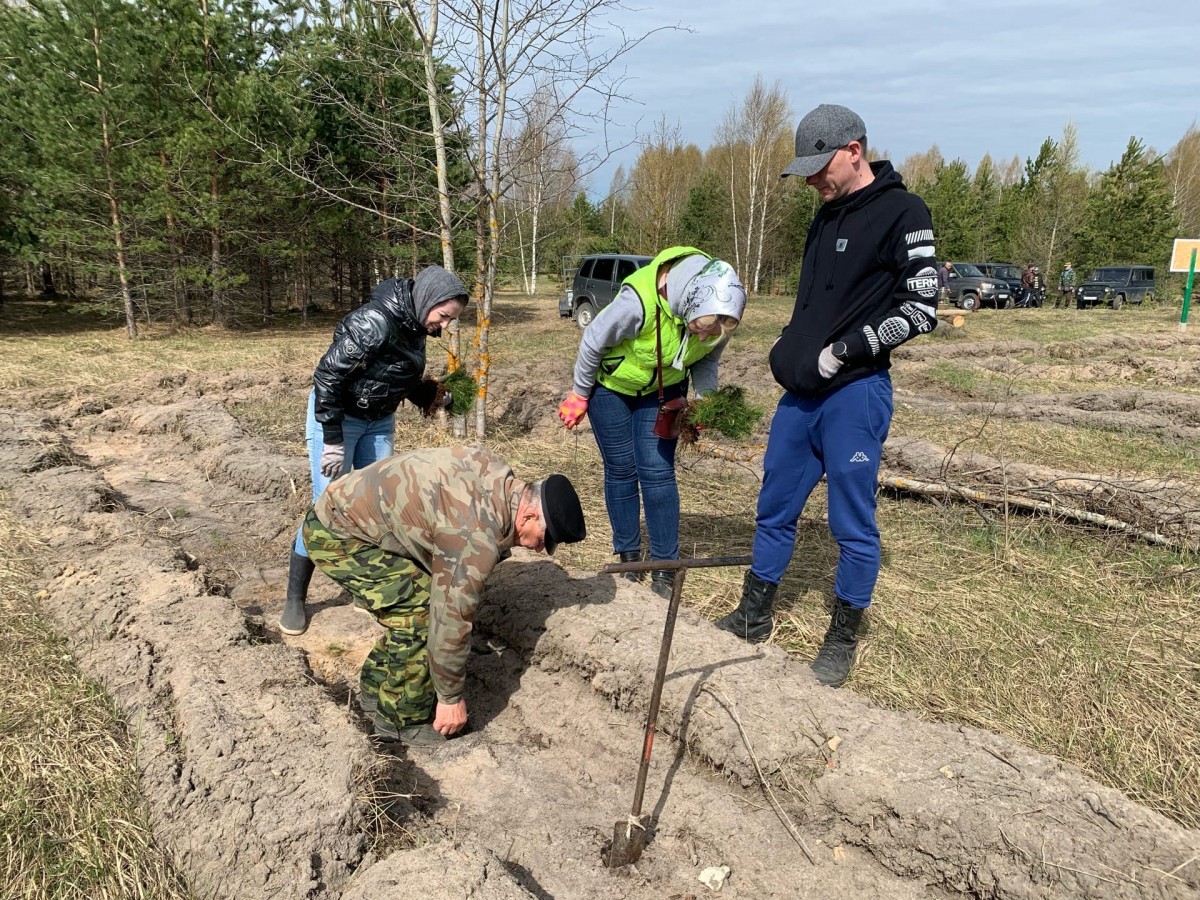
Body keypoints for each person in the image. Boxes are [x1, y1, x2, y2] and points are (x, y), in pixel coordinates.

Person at [714, 104, 937, 688]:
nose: (812, 181)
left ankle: (841, 637)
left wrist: (845, 350)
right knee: (774, 507)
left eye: (820, 168)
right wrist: (792, 345)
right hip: (800, 397)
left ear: (854, 150)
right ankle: (754, 614)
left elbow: (921, 309)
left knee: (851, 523)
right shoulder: (824, 217)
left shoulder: (903, 212)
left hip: (854, 394)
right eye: (805, 171)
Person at [301, 446, 586, 745]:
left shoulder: (498, 475)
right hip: (338, 535)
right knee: (421, 614)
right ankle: (399, 720)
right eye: (544, 539)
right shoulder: (474, 534)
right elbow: (449, 617)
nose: (540, 549)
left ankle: (376, 689)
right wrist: (450, 698)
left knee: (417, 599)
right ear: (527, 515)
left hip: (349, 511)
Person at [279, 266, 469, 636]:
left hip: (378, 420)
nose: (445, 326)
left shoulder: (415, 325)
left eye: (451, 320)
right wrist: (332, 437)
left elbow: (392, 371)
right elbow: (329, 376)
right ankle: (295, 600)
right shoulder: (374, 321)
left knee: (377, 506)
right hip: (339, 419)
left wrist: (427, 394)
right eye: (444, 316)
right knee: (328, 507)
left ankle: (362, 585)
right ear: (427, 301)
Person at [557, 247, 747, 599]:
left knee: (658, 472)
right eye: (700, 328)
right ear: (687, 302)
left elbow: (704, 362)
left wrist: (704, 401)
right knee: (621, 469)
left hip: (662, 393)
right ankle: (630, 559)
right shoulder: (637, 303)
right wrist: (580, 394)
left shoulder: (715, 321)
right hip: (611, 389)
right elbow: (593, 341)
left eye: (714, 332)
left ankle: (664, 568)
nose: (706, 336)